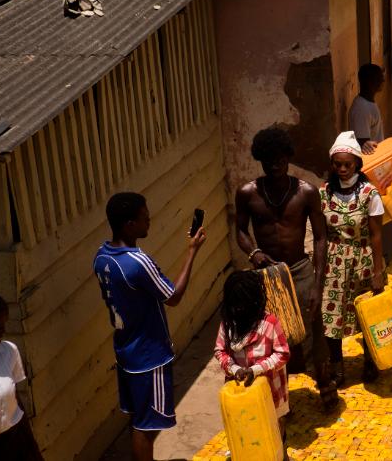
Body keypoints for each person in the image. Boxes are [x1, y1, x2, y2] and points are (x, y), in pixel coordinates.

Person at [93, 192, 207, 461]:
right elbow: (174, 297)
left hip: (126, 350)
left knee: (138, 418)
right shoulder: (137, 262)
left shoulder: (102, 257)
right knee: (147, 427)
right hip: (149, 356)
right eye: (145, 219)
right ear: (129, 224)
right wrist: (192, 251)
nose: (149, 222)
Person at [234, 128, 335, 407]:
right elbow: (240, 231)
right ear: (261, 161)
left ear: (288, 157)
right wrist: (253, 251)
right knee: (271, 336)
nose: (275, 165)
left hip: (300, 270)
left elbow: (322, 238)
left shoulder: (306, 192)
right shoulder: (247, 193)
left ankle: (326, 384)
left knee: (313, 326)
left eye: (280, 159)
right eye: (269, 161)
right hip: (266, 276)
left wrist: (317, 284)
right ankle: (281, 397)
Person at [319, 132, 386, 384]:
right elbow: (322, 235)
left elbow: (377, 236)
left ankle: (371, 360)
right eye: (338, 165)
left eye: (348, 164)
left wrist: (378, 272)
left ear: (357, 163)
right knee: (330, 314)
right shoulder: (324, 193)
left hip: (364, 260)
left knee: (368, 313)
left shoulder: (370, 193)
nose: (343, 169)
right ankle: (337, 365)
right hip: (334, 263)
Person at [214, 272, 291, 430]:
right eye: (235, 306)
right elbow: (220, 351)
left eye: (243, 306)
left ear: (254, 302)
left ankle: (282, 454)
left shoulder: (269, 323)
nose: (239, 310)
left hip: (271, 391)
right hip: (240, 392)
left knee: (274, 428)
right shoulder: (228, 324)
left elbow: (282, 354)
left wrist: (255, 370)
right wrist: (234, 369)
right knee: (246, 428)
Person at [0, 289, 42, 460]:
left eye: (5, 324)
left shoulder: (8, 352)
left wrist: (33, 451)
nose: (3, 332)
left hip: (15, 445)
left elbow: (16, 403)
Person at [348, 64, 385, 153]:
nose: (383, 80)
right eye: (379, 78)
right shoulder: (362, 108)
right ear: (370, 82)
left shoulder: (368, 103)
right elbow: (364, 144)